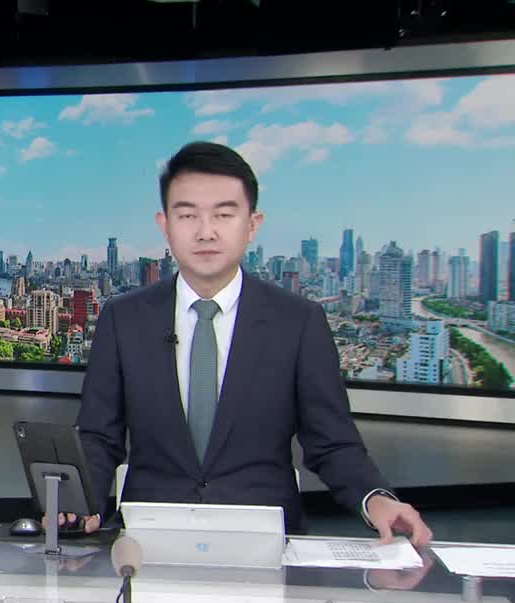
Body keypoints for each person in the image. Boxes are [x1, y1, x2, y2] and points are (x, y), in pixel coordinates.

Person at [70, 141, 432, 547]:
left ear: (252, 225)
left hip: (267, 545)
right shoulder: (123, 318)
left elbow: (332, 443)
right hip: (147, 542)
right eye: (187, 215)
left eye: (223, 215)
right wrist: (81, 501)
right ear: (164, 224)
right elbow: (99, 437)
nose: (205, 232)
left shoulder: (298, 322)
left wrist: (376, 499)